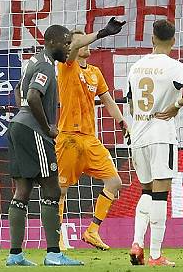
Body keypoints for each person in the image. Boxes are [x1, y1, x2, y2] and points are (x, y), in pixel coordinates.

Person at [125, 21, 183, 267]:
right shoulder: (174, 67)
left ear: (152, 38)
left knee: (146, 191)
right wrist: (175, 106)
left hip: (138, 136)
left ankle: (137, 243)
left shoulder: (136, 67)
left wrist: (140, 121)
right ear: (173, 40)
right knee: (160, 196)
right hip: (161, 135)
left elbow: (131, 103)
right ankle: (155, 255)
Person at [5, 24, 81, 266]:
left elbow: (19, 89)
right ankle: (53, 254)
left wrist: (23, 112)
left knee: (22, 191)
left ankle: (15, 256)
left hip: (18, 126)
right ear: (51, 42)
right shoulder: (46, 65)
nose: (69, 48)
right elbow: (34, 95)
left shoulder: (34, 60)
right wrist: (47, 126)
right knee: (51, 189)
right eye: (66, 43)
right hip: (34, 130)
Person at [55, 21, 128, 251]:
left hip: (90, 138)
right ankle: (57, 236)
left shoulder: (95, 73)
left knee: (114, 182)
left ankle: (92, 231)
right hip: (68, 137)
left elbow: (107, 101)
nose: (85, 41)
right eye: (81, 39)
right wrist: (102, 33)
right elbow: (76, 43)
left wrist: (122, 122)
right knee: (62, 189)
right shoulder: (66, 66)